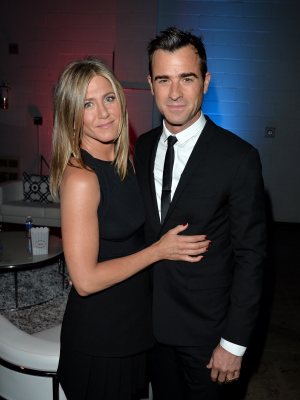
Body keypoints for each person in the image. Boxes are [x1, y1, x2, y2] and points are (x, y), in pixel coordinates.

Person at [49, 57, 210, 400]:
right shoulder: (82, 178)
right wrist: (158, 251)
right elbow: (85, 280)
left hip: (135, 331)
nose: (103, 113)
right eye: (87, 104)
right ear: (71, 116)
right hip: (101, 341)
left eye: (108, 98)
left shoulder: (129, 160)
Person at [134, 27, 266, 399]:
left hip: (209, 339)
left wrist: (234, 343)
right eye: (164, 79)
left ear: (205, 82)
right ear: (150, 84)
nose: (174, 93)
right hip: (151, 332)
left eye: (186, 78)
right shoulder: (141, 147)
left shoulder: (238, 159)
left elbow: (251, 257)